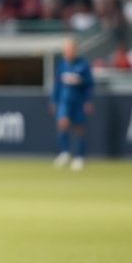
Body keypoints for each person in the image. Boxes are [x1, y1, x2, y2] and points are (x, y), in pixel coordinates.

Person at [50, 37, 93, 171]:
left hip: (78, 101)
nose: (68, 52)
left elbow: (89, 85)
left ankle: (79, 156)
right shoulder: (62, 66)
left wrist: (88, 100)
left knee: (79, 128)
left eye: (70, 49)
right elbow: (57, 85)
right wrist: (54, 100)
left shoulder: (83, 65)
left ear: (75, 50)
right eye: (66, 50)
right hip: (64, 101)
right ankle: (65, 152)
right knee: (62, 124)